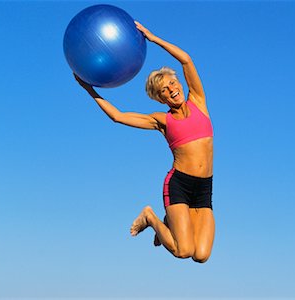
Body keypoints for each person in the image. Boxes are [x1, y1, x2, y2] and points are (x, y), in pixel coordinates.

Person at [74, 21, 215, 263]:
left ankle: (169, 220)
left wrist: (153, 37)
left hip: (203, 189)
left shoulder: (199, 101)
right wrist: (90, 90)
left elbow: (186, 61)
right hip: (179, 184)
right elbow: (118, 116)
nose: (171, 89)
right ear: (160, 99)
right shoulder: (162, 121)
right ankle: (150, 217)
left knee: (201, 256)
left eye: (172, 83)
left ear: (179, 83)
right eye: (163, 90)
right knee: (184, 251)